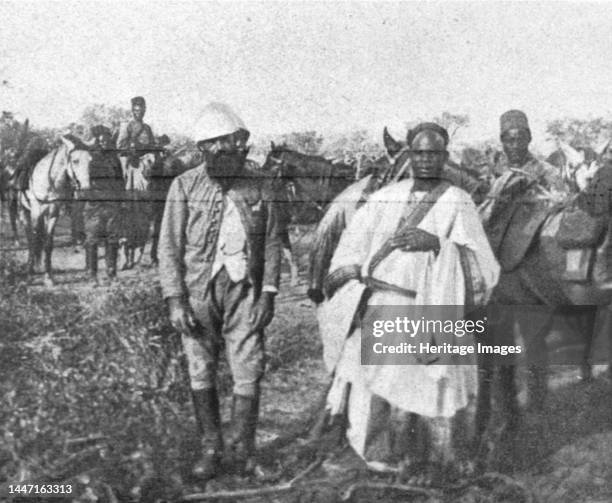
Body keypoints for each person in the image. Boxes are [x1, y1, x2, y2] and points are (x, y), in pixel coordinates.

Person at [317, 123, 499, 479]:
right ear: (410, 154)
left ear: (445, 157)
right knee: (370, 384)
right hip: (379, 304)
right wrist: (349, 271)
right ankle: (376, 455)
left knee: (426, 386)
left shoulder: (458, 201)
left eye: (434, 153)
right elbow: (353, 243)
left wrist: (437, 244)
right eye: (419, 153)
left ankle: (430, 459)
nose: (426, 160)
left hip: (427, 308)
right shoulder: (386, 196)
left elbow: (485, 268)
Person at [158, 102, 282, 479]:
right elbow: (168, 246)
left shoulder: (261, 183)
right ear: (201, 149)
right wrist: (176, 299)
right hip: (198, 292)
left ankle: (242, 451)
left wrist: (268, 294)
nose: (219, 152)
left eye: (226, 144)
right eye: (210, 146)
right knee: (200, 367)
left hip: (245, 290)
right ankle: (211, 449)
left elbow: (273, 242)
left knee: (249, 367)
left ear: (239, 144)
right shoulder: (185, 185)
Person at [81, 125, 124, 282]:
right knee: (92, 239)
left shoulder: (114, 159)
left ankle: (111, 274)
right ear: (97, 141)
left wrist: (121, 202)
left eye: (107, 139)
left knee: (112, 239)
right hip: (94, 204)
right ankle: (92, 274)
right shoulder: (90, 157)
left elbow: (121, 181)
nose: (104, 142)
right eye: (101, 140)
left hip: (112, 204)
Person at [116, 96, 155, 177]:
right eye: (136, 110)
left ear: (145, 110)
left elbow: (152, 145)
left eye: (141, 111)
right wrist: (133, 148)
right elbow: (120, 146)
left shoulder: (147, 128)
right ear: (133, 111)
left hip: (145, 161)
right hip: (131, 160)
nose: (139, 113)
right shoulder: (127, 125)